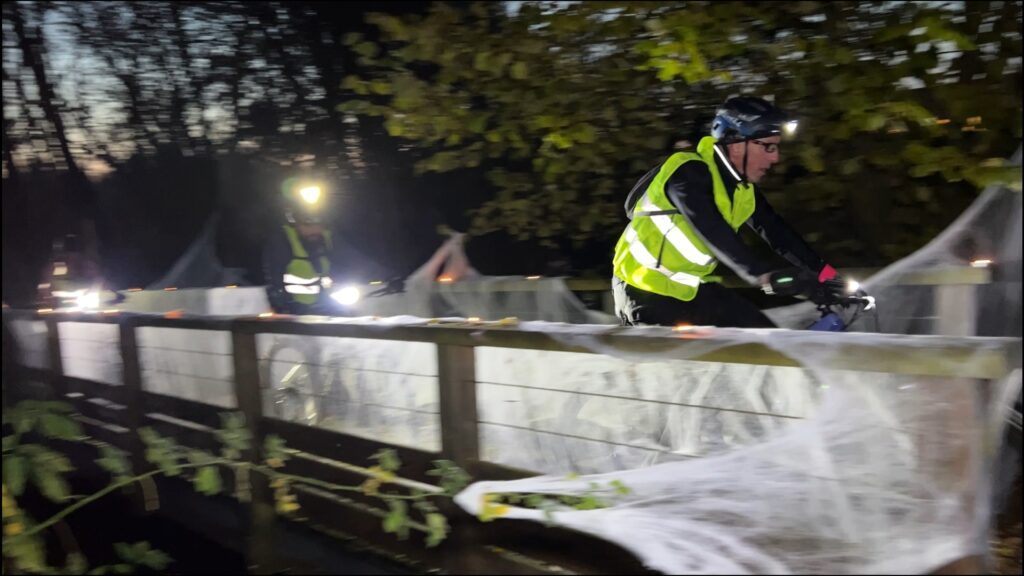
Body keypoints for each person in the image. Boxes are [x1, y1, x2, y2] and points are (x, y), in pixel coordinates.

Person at [611, 96, 845, 328]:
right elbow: (711, 229)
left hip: (690, 292)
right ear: (736, 145)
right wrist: (762, 275)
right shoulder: (687, 173)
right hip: (642, 292)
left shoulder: (743, 190)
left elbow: (778, 234)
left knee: (770, 344)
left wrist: (828, 276)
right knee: (710, 359)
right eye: (768, 147)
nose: (775, 157)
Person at [262, 177, 338, 315]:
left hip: (325, 307)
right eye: (307, 224)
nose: (314, 230)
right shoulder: (283, 239)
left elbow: (344, 261)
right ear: (295, 223)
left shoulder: (327, 238)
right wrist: (282, 304)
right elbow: (274, 276)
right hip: (293, 310)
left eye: (318, 225)